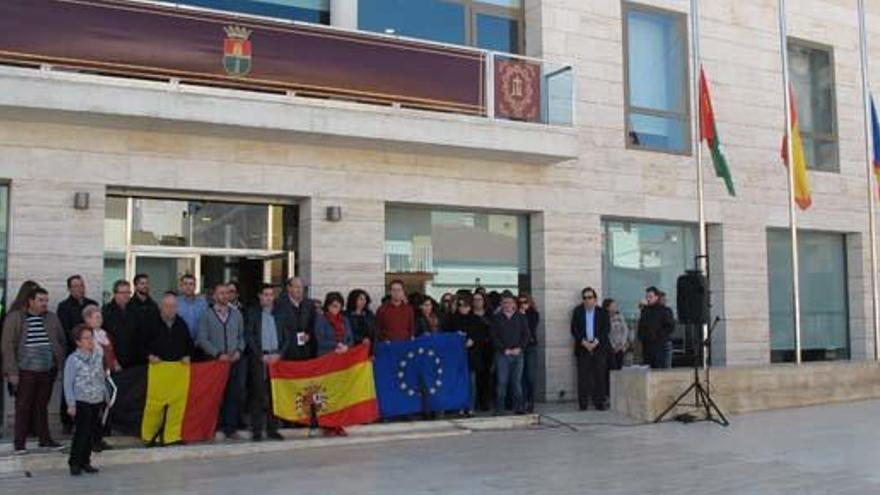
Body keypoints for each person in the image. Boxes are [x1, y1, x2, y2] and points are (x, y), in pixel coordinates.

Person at [1, 287, 66, 454]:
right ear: (30, 301)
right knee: (23, 406)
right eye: (41, 300)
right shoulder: (16, 317)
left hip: (47, 370)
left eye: (46, 300)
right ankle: (19, 444)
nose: (45, 303)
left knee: (42, 406)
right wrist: (12, 372)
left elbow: (61, 340)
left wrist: (58, 361)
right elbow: (7, 346)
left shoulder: (51, 318)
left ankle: (45, 440)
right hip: (25, 371)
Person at [197, 283, 245, 439]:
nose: (224, 296)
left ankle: (231, 429)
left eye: (226, 293)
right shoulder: (207, 315)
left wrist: (239, 351)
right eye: (221, 293)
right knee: (215, 395)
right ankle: (214, 427)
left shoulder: (236, 314)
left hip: (233, 361)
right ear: (214, 296)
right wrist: (217, 354)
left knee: (233, 395)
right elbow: (202, 339)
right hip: (215, 362)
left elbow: (241, 336)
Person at [56, 275, 98, 433]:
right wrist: (80, 344)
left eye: (81, 285)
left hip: (92, 353)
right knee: (70, 385)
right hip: (73, 353)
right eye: (75, 286)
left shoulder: (91, 304)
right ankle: (67, 422)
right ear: (69, 288)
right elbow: (65, 331)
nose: (79, 288)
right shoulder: (64, 307)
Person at [63, 325, 107, 476]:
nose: (90, 341)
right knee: (81, 432)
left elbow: (101, 377)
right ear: (78, 342)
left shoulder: (97, 356)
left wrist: (105, 396)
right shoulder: (73, 360)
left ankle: (85, 461)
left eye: (91, 337)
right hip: (81, 400)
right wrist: (71, 403)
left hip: (96, 399)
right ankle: (75, 462)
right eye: (86, 338)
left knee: (91, 433)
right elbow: (68, 383)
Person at [244, 284, 284, 442]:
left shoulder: (280, 313)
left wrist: (280, 354)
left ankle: (273, 429)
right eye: (265, 294)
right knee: (258, 395)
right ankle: (257, 430)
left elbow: (287, 336)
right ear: (259, 296)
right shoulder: (252, 312)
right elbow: (249, 335)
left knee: (274, 394)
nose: (268, 297)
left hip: (276, 359)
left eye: (271, 294)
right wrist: (260, 354)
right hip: (259, 358)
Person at [444, 295, 490, 414]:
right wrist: (455, 337)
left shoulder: (476, 319)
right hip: (456, 357)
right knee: (458, 382)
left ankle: (470, 406)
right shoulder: (452, 319)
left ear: (469, 307)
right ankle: (459, 405)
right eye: (459, 305)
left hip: (472, 357)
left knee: (471, 382)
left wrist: (472, 339)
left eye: (465, 305)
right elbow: (446, 335)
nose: (462, 308)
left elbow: (482, 336)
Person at [82, 304, 116, 452]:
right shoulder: (85, 335)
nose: (100, 319)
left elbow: (111, 352)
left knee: (103, 408)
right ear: (87, 319)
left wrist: (114, 363)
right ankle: (90, 440)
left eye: (100, 316)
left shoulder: (104, 334)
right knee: (92, 410)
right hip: (92, 377)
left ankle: (98, 438)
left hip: (106, 375)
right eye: (96, 317)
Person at [570, 287, 611, 411]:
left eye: (590, 297)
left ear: (595, 299)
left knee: (599, 376)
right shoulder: (577, 311)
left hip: (599, 348)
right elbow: (574, 329)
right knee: (583, 378)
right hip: (583, 348)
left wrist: (595, 342)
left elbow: (606, 329)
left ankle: (599, 402)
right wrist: (584, 342)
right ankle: (583, 404)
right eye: (585, 298)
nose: (587, 300)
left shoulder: (602, 312)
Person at [489, 291, 529, 415]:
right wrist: (503, 349)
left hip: (518, 354)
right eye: (505, 302)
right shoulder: (496, 318)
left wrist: (520, 348)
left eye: (510, 302)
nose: (507, 305)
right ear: (501, 304)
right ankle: (500, 409)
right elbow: (493, 337)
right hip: (503, 355)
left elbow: (526, 335)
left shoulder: (521, 317)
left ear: (514, 304)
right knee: (502, 382)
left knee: (516, 382)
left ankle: (519, 408)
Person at [274, 277, 316, 361]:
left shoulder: (309, 304)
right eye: (296, 287)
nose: (299, 290)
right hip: (286, 352)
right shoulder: (278, 304)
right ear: (289, 288)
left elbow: (313, 324)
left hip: (305, 351)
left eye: (301, 287)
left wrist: (309, 335)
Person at [145, 292, 194, 363]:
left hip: (178, 366)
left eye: (174, 306)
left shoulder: (181, 323)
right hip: (157, 366)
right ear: (161, 307)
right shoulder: (151, 322)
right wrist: (149, 356)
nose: (171, 309)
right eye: (167, 306)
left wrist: (188, 355)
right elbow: (142, 345)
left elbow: (189, 344)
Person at [126, 274, 160, 366]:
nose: (145, 286)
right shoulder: (129, 306)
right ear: (136, 286)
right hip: (135, 356)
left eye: (147, 283)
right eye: (142, 283)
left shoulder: (154, 305)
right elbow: (131, 335)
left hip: (153, 354)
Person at [638, 287, 676, 369]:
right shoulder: (645, 311)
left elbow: (670, 327)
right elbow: (641, 326)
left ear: (656, 297)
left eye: (650, 297)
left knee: (662, 370)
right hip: (648, 347)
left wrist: (657, 334)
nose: (648, 299)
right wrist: (641, 337)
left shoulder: (665, 310)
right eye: (647, 297)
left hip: (661, 346)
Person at [470, 291, 494, 411]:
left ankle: (485, 402)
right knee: (476, 377)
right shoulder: (470, 315)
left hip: (488, 349)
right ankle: (475, 402)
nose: (477, 302)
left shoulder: (490, 315)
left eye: (479, 299)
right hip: (475, 350)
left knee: (486, 376)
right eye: (475, 299)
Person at [518, 293, 540, 413]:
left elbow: (530, 328)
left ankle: (530, 401)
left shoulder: (534, 314)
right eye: (520, 303)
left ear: (529, 302)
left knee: (531, 376)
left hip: (531, 347)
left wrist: (523, 315)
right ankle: (521, 402)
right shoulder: (516, 315)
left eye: (525, 302)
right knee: (521, 377)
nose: (522, 305)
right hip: (520, 348)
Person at [102, 280, 132, 367]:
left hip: (133, 361)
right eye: (123, 292)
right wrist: (112, 359)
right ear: (115, 294)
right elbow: (104, 338)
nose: (126, 295)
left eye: (128, 292)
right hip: (114, 361)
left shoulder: (134, 310)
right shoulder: (106, 311)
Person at [315, 292, 353, 357]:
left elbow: (350, 338)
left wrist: (346, 347)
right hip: (326, 356)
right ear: (328, 306)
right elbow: (320, 341)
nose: (336, 308)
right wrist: (337, 345)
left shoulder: (344, 320)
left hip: (343, 355)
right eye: (333, 306)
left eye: (338, 306)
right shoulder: (321, 319)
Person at [176, 274, 208, 343]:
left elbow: (206, 324)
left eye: (191, 284)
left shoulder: (203, 303)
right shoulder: (175, 302)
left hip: (200, 344)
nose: (188, 287)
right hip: (180, 343)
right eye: (185, 284)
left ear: (195, 286)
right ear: (181, 286)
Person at [604, 298, 631, 371]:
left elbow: (625, 330)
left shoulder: (620, 316)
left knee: (619, 367)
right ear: (607, 307)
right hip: (611, 347)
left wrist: (622, 344)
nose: (615, 307)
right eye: (613, 305)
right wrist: (613, 346)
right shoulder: (605, 318)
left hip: (620, 346)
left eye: (615, 305)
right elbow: (606, 333)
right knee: (612, 368)